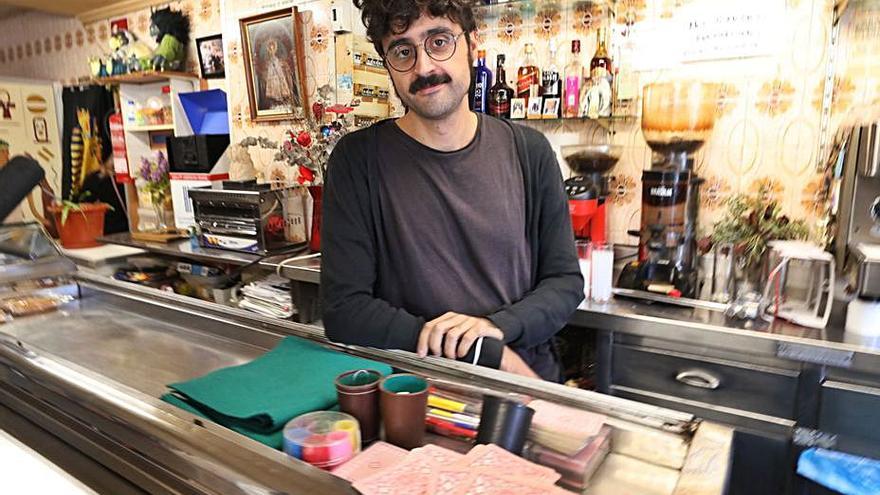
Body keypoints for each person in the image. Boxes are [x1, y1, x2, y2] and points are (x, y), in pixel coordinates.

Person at [320, 0, 583, 381]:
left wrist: (497, 328)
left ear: (471, 44)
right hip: (415, 390)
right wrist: (482, 351)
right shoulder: (357, 161)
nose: (424, 68)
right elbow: (345, 310)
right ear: (387, 62)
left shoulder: (530, 151)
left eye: (439, 41)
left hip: (521, 381)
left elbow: (564, 281)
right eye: (403, 51)